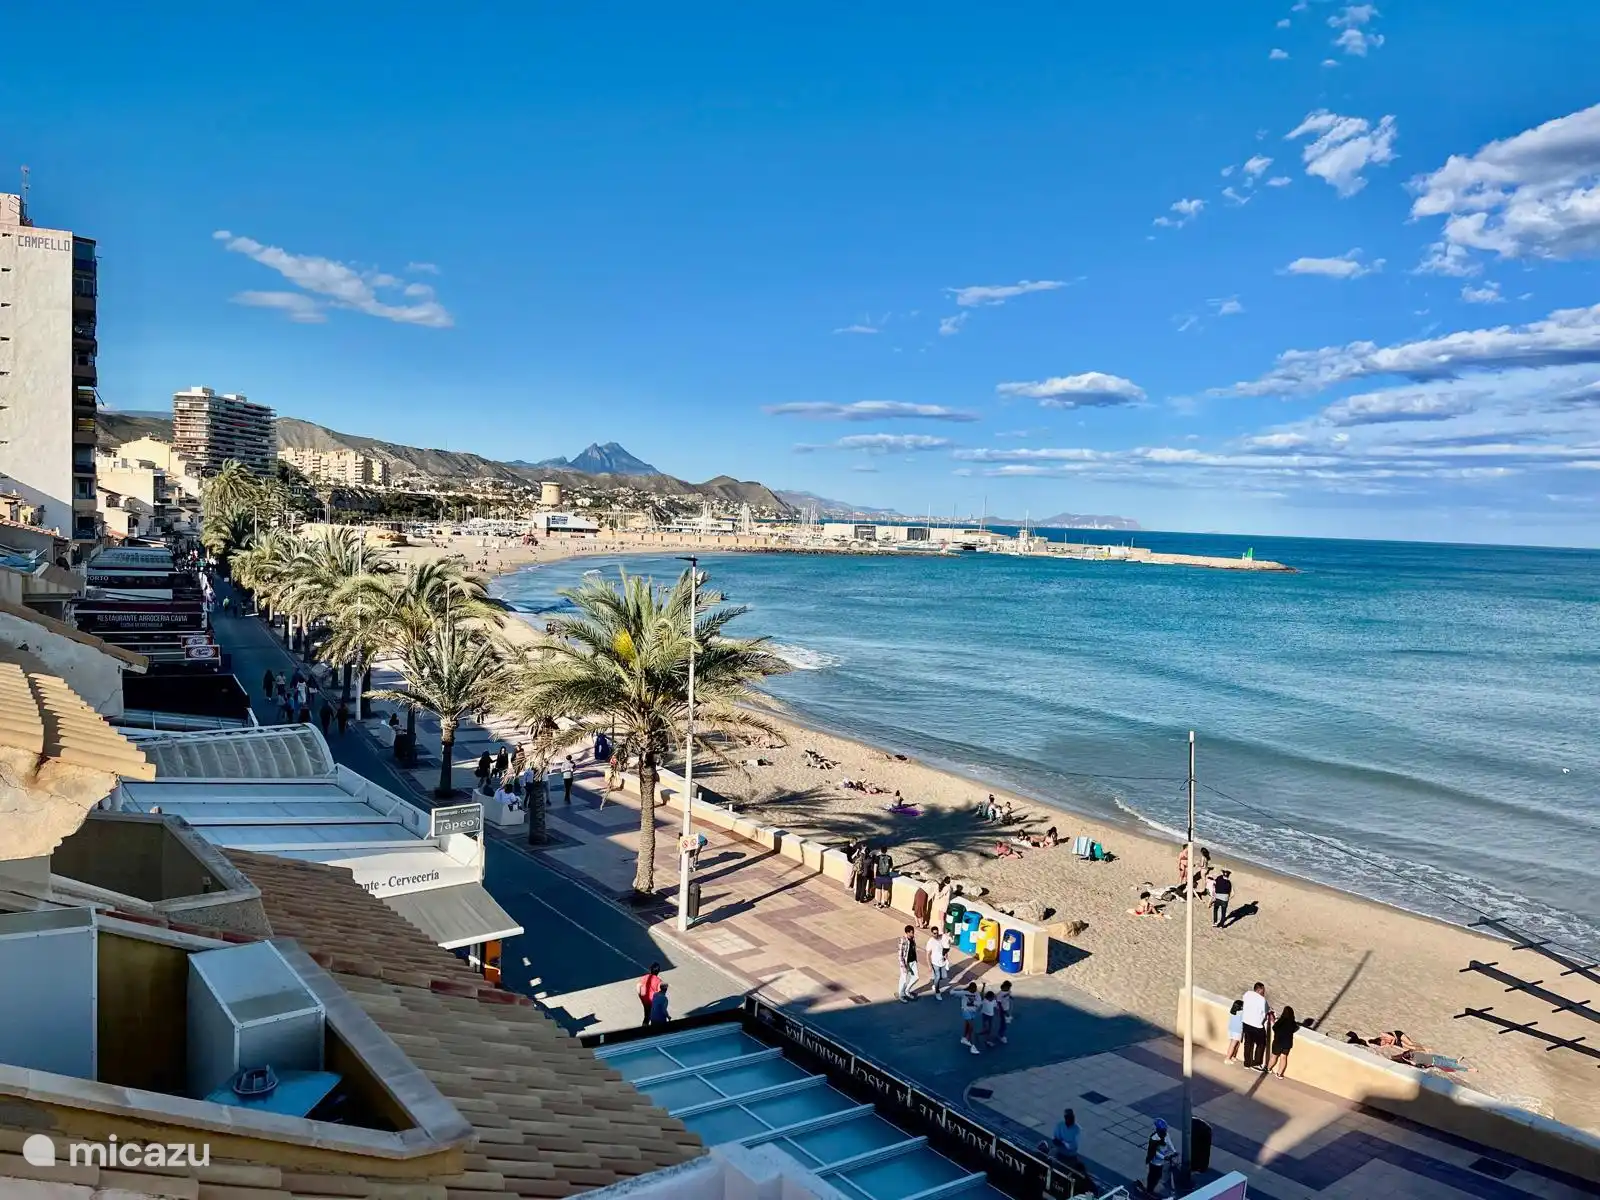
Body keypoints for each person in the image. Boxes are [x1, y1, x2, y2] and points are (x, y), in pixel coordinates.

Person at [1145, 1119, 1179, 1197]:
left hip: (1161, 1161)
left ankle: (1152, 1188)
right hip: (1155, 1162)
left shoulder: (1166, 1134)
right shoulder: (1154, 1138)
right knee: (1153, 1176)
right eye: (1163, 1129)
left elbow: (1169, 1142)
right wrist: (1164, 1157)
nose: (1165, 1131)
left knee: (1159, 1175)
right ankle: (1149, 1190)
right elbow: (1154, 1152)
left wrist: (1174, 1151)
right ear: (1158, 1130)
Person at [1241, 982, 1270, 1072]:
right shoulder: (1262, 1000)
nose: (1264, 992)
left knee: (1248, 1044)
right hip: (1257, 1025)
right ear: (1260, 989)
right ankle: (1256, 1063)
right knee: (1261, 1044)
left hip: (1246, 1022)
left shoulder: (1247, 994)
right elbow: (1265, 1013)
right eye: (1263, 990)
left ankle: (1247, 1063)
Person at [1269, 1005, 1299, 1077]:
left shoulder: (1281, 1020)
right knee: (1283, 1057)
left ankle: (1268, 1068)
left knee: (1274, 1056)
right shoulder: (1293, 1023)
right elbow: (1294, 1029)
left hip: (1278, 1042)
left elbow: (1274, 1028)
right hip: (1287, 1044)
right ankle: (1279, 1074)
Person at [896, 926, 919, 1002]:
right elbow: (900, 954)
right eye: (912, 932)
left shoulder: (913, 938)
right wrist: (903, 966)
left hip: (913, 961)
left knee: (916, 977)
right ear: (907, 932)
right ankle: (901, 994)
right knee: (904, 979)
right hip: (906, 962)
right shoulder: (903, 940)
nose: (913, 934)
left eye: (913, 932)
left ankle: (907, 990)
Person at [928, 928, 951, 998]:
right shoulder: (930, 941)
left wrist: (946, 957)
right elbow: (927, 954)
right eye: (934, 933)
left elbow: (945, 948)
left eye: (937, 933)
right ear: (932, 933)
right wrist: (929, 964)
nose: (936, 934)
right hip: (935, 962)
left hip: (942, 961)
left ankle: (935, 984)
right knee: (937, 976)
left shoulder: (941, 939)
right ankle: (937, 992)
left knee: (944, 976)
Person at [959, 983, 981, 1054]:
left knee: (968, 1025)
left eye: (976, 989)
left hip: (972, 1011)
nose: (975, 990)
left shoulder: (975, 993)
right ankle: (973, 1047)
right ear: (971, 988)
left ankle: (964, 1038)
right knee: (972, 1028)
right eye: (974, 989)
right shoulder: (965, 994)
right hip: (966, 1011)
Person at [1225, 997, 1245, 1066]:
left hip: (1232, 1030)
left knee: (1235, 1044)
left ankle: (1232, 1056)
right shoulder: (1241, 1013)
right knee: (1233, 1045)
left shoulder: (1233, 1012)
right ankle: (1227, 1058)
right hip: (1237, 1031)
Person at [996, 979, 1013, 1044]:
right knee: (1003, 1024)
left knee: (1004, 1022)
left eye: (1009, 987)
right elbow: (999, 1004)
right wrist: (1004, 1012)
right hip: (1002, 1010)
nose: (1009, 989)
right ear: (1003, 987)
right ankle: (1001, 1036)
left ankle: (1001, 1034)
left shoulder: (1008, 991)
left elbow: (1009, 994)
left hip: (1006, 1008)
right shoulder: (999, 994)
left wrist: (1010, 997)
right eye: (1007, 987)